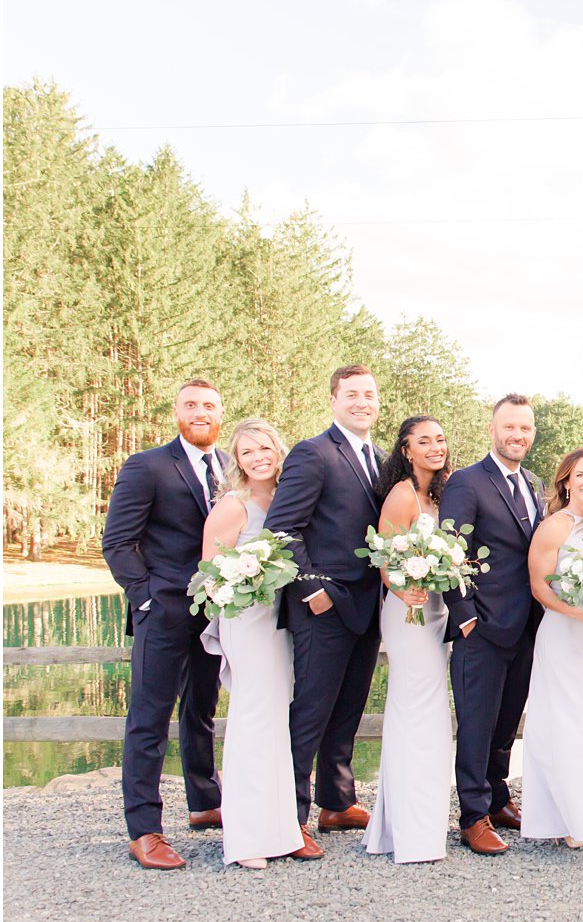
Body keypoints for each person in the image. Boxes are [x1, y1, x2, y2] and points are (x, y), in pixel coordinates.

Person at [103, 378, 228, 869]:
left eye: (210, 406)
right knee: (148, 719)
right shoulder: (148, 466)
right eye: (191, 405)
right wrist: (146, 600)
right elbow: (118, 542)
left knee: (200, 709)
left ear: (221, 414)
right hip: (164, 610)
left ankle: (204, 802)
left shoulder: (229, 468)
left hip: (215, 611)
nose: (201, 412)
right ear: (176, 411)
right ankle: (145, 829)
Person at [265, 364, 385, 852]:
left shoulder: (378, 458)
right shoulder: (312, 453)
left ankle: (336, 802)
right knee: (310, 712)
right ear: (333, 400)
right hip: (323, 607)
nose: (362, 402)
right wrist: (311, 588)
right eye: (352, 394)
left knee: (348, 710)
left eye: (369, 395)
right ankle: (288, 818)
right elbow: (281, 529)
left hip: (366, 607)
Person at [440, 394, 543, 855]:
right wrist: (464, 618)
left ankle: (499, 797)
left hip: (526, 626)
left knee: (506, 723)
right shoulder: (467, 482)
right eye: (509, 427)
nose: (517, 436)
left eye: (524, 428)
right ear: (492, 429)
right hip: (481, 626)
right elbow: (449, 553)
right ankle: (473, 816)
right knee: (478, 723)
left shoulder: (534, 484)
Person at [200, 419, 305, 870]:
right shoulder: (233, 506)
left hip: (281, 623)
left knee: (275, 723)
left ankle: (278, 829)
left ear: (278, 450)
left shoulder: (286, 498)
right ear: (237, 461)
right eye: (247, 452)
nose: (259, 457)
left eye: (265, 448)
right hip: (247, 620)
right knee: (252, 720)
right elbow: (210, 572)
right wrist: (246, 578)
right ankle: (244, 840)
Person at [362, 416, 455, 863]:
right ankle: (412, 832)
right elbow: (384, 558)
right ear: (406, 450)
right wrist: (405, 589)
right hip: (410, 611)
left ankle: (413, 823)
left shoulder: (438, 494)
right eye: (424, 441)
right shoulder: (402, 495)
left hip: (437, 612)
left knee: (431, 712)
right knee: (416, 710)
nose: (435, 447)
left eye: (439, 439)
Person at [521, 448, 583, 848]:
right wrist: (573, 612)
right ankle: (560, 817)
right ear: (566, 480)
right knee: (562, 724)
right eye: (581, 475)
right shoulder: (556, 526)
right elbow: (539, 586)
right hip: (562, 634)